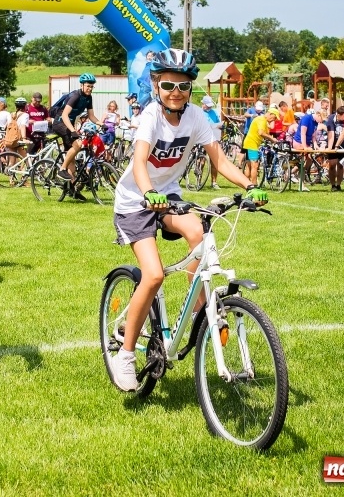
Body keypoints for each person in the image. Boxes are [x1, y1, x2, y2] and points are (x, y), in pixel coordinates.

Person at [109, 48, 267, 392]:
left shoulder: (197, 117)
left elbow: (221, 161)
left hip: (169, 197)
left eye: (183, 86)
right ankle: (125, 354)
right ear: (156, 85)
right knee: (151, 276)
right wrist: (149, 192)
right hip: (137, 201)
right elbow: (139, 162)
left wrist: (250, 185)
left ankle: (198, 311)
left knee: (198, 231)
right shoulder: (151, 116)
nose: (176, 92)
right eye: (168, 85)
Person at [55, 73, 102, 195]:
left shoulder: (88, 98)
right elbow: (65, 115)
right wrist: (73, 131)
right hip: (60, 123)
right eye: (88, 86)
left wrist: (102, 124)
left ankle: (71, 188)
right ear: (82, 85)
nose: (90, 89)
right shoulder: (75, 96)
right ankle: (62, 169)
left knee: (72, 157)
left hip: (69, 125)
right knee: (78, 144)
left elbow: (91, 116)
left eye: (92, 87)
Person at [242, 107, 280, 185]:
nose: (274, 120)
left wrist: (270, 139)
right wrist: (272, 139)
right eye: (274, 117)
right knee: (254, 165)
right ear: (271, 114)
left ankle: (246, 184)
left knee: (249, 166)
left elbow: (264, 134)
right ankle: (254, 185)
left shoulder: (264, 121)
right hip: (252, 144)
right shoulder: (262, 120)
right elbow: (261, 133)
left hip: (250, 143)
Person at [200, 95, 224, 189]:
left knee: (214, 161)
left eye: (210, 106)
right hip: (201, 138)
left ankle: (214, 182)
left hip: (213, 138)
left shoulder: (213, 112)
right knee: (201, 161)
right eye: (207, 105)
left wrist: (220, 126)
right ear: (203, 104)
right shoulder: (199, 112)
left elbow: (217, 123)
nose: (209, 107)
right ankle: (200, 179)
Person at [324, 106, 344, 191]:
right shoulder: (331, 119)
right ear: (338, 114)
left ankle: (338, 185)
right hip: (333, 143)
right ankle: (333, 185)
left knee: (341, 165)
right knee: (332, 165)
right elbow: (331, 134)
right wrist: (331, 148)